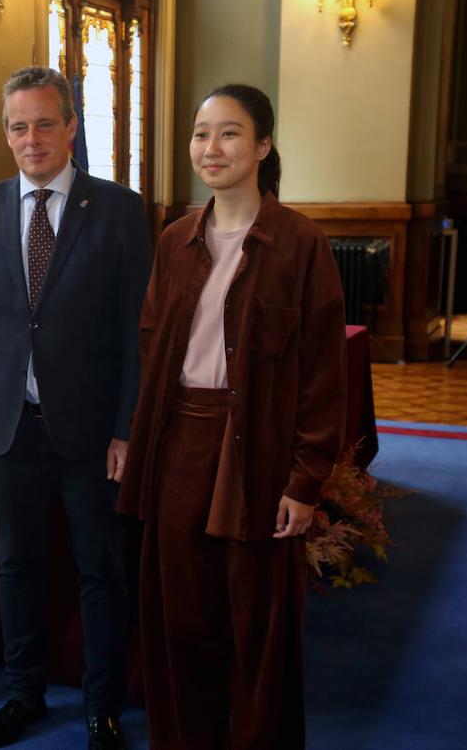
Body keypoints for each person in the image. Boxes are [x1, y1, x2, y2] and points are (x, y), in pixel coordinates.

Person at [118, 84, 346, 750]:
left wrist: (304, 481)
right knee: (181, 620)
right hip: (179, 445)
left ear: (264, 146)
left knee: (256, 624)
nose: (210, 148)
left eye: (229, 133)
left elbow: (323, 373)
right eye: (200, 134)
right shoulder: (175, 240)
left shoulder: (299, 243)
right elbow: (150, 348)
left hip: (261, 453)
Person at [0, 66, 150, 750]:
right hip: (6, 432)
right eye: (19, 126)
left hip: (90, 434)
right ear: (6, 134)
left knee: (99, 569)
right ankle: (25, 694)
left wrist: (127, 427)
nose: (32, 139)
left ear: (71, 127)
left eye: (45, 123)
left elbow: (134, 332)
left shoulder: (118, 209)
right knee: (15, 568)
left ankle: (101, 707)